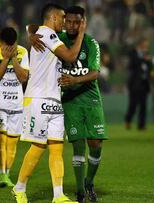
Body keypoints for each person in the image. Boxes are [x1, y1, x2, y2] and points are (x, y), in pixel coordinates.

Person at [12, 3, 85, 203]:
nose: (65, 21)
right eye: (62, 18)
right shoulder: (49, 35)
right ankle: (19, 188)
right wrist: (81, 34)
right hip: (38, 98)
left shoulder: (42, 33)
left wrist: (29, 31)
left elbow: (31, 26)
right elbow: (70, 56)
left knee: (56, 147)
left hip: (54, 98)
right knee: (38, 146)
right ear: (53, 18)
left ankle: (58, 195)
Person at [59, 6, 106, 203]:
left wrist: (75, 80)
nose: (71, 25)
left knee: (95, 145)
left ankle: (89, 182)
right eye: (68, 21)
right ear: (63, 21)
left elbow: (95, 73)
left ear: (83, 22)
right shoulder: (57, 39)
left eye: (76, 22)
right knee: (78, 146)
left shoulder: (91, 43)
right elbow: (36, 28)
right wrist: (31, 33)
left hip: (91, 98)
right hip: (70, 100)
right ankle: (80, 193)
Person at [0, 27, 29, 187]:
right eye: (5, 45)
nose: (8, 48)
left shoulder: (22, 52)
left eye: (12, 44)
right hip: (0, 104)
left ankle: (7, 174)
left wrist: (14, 59)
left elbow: (23, 78)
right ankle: (1, 175)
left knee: (13, 142)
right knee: (0, 140)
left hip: (17, 104)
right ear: (0, 42)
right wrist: (5, 59)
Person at [124, 37, 153, 130]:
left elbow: (150, 67)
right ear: (140, 45)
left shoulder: (146, 54)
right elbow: (131, 65)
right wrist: (143, 59)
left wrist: (148, 61)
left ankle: (141, 125)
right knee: (133, 105)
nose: (146, 47)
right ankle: (128, 121)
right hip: (134, 84)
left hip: (144, 83)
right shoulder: (133, 53)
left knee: (143, 106)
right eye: (145, 45)